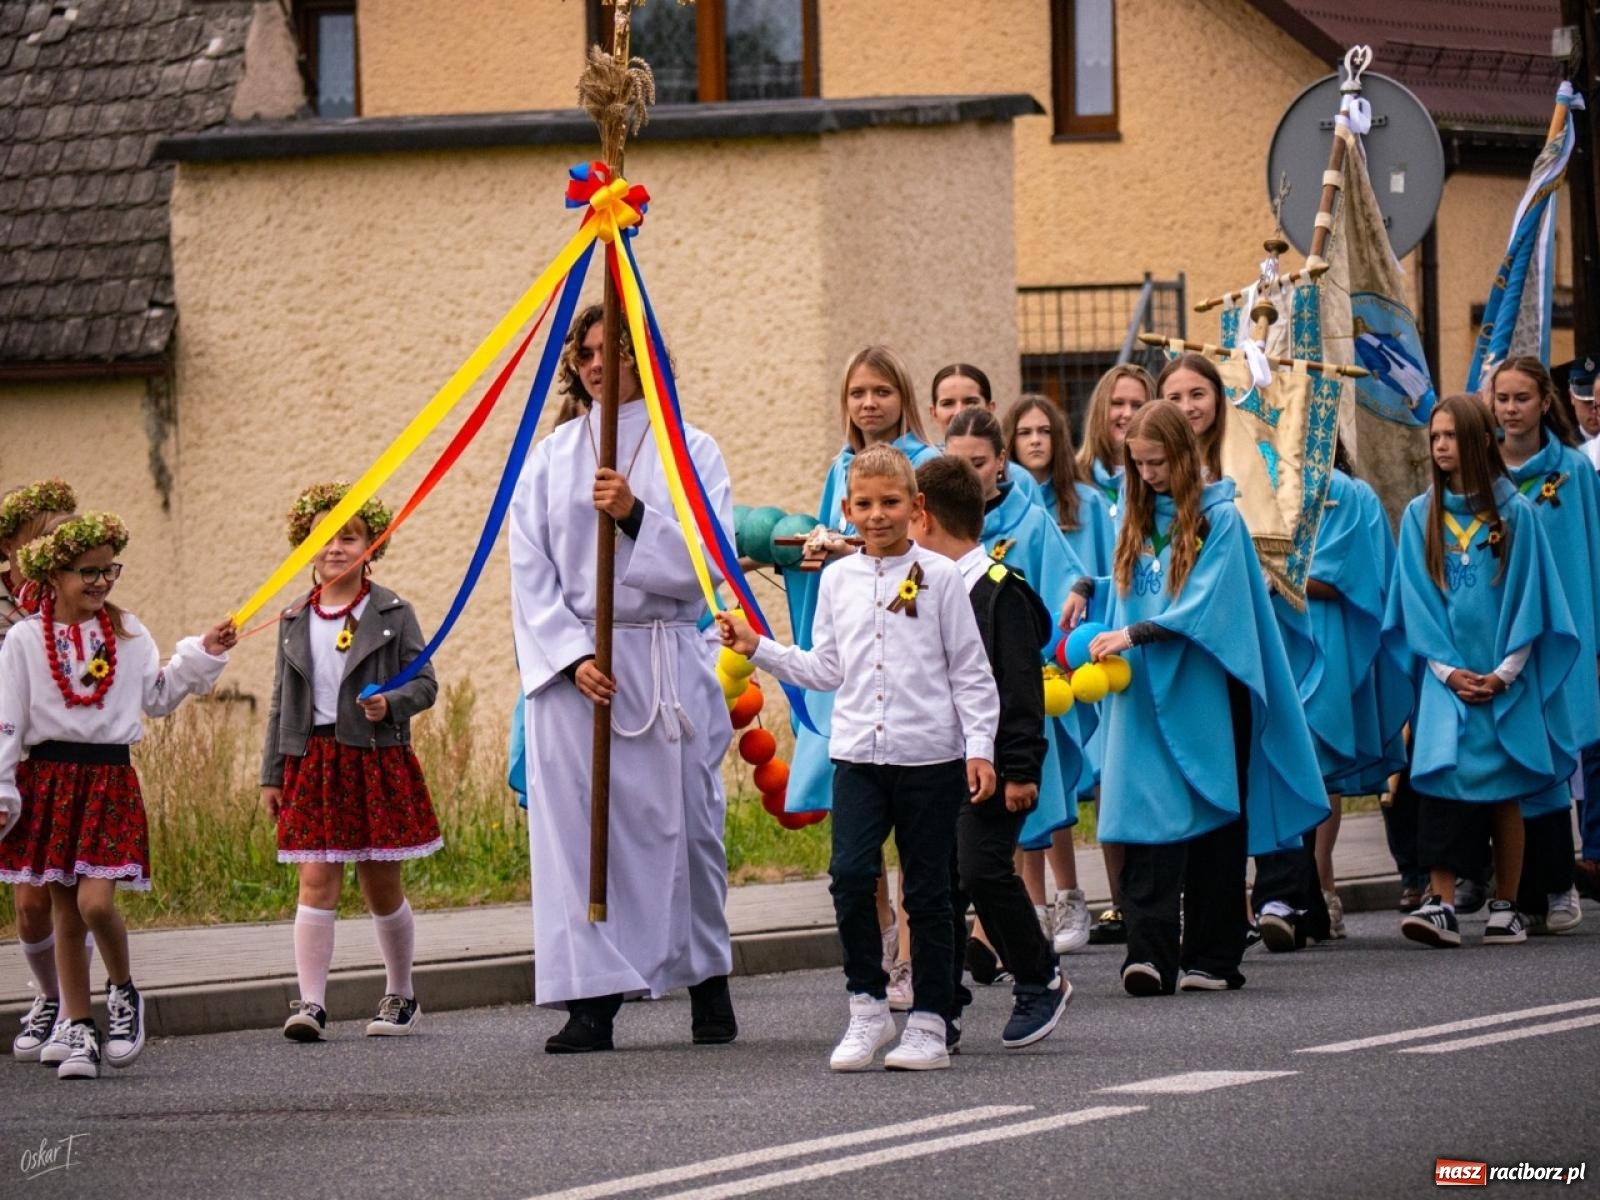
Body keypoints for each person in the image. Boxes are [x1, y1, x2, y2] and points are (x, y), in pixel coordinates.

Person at [719, 444, 998, 1072]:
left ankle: (929, 1020)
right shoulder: (837, 579)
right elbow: (826, 667)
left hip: (929, 757)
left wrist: (978, 748)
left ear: (916, 508)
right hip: (859, 758)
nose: (877, 515)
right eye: (865, 504)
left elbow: (971, 673)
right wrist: (758, 646)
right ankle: (867, 1007)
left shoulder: (942, 577)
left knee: (928, 892)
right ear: (846, 509)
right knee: (849, 877)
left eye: (891, 503)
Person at [510, 304, 738, 1053]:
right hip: (583, 671)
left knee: (689, 828)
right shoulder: (549, 458)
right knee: (581, 835)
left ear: (646, 357)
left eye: (616, 349)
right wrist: (571, 657)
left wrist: (637, 515)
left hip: (663, 657)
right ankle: (592, 997)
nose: (599, 363)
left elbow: (711, 561)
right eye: (587, 350)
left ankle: (707, 980)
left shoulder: (691, 451)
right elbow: (529, 567)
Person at [1060, 401, 1328, 994]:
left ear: (1183, 455)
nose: (1150, 474)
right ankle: (1149, 952)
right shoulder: (1132, 515)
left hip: (1205, 692)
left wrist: (1135, 632)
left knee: (1212, 821)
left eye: (1158, 462)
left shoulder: (1220, 520)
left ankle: (1211, 954)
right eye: (1140, 464)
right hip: (1143, 696)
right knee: (1147, 820)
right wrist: (1088, 588)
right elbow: (1138, 586)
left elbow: (1209, 601)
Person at [0, 511, 235, 1079]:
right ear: (54, 574)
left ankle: (125, 991)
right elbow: (7, 721)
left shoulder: (128, 635)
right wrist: (4, 788)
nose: (102, 582)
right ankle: (78, 1026)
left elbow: (156, 695)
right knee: (63, 910)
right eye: (88, 572)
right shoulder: (26, 640)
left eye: (109, 570)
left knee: (95, 903)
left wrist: (201, 653)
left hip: (107, 781)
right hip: (50, 781)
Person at [1383, 395, 1579, 948]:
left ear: (1476, 440)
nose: (1441, 446)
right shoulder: (1420, 516)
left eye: (1450, 436)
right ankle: (1441, 903)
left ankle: (1507, 905)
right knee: (1442, 783)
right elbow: (1415, 604)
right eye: (1435, 437)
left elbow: (1533, 602)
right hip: (1448, 678)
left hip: (1503, 676)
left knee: (1504, 790)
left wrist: (1504, 672)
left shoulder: (1517, 514)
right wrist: (1448, 672)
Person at [261, 483, 441, 1042]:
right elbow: (278, 702)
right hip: (311, 761)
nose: (336, 546)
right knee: (315, 880)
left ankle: (401, 994)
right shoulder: (293, 617)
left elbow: (426, 682)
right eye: (324, 536)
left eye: (349, 536)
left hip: (372, 759)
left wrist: (392, 702)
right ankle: (312, 1003)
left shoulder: (392, 611)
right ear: (306, 546)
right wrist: (272, 773)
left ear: (370, 546)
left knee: (379, 883)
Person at [913, 455, 1070, 1049]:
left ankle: (1040, 977)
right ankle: (940, 1003)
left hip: (997, 767)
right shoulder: (927, 586)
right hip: (937, 763)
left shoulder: (1000, 591)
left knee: (981, 870)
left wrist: (1021, 769)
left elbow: (1020, 689)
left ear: (923, 515)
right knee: (939, 883)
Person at [944, 407, 1088, 950]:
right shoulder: (932, 527)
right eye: (954, 464)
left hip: (1013, 688)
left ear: (1001, 462)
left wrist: (1078, 592)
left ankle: (1030, 926)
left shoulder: (1028, 521)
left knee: (1016, 808)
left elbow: (1066, 578)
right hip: (953, 698)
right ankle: (999, 936)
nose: (966, 476)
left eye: (977, 463)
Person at [1489, 358, 1597, 934]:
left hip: (1562, 635)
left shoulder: (1574, 472)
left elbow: (1595, 554)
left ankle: (1558, 885)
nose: (1510, 409)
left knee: (1553, 755)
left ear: (1544, 401)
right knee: (1515, 757)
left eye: (1522, 398)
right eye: (1502, 398)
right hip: (1504, 635)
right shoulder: (1484, 475)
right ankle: (1519, 889)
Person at [1005, 393, 1115, 954]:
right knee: (1031, 786)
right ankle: (1036, 904)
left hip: (1076, 652)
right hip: (1020, 657)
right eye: (1024, 432)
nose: (1036, 441)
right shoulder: (1005, 505)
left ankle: (1074, 896)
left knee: (1064, 779)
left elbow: (1094, 573)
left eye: (1045, 430)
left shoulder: (1086, 504)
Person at [1298, 452, 1409, 938]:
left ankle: (1321, 885)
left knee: (1320, 765)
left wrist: (1276, 575)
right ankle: (1279, 893)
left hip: (1325, 637)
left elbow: (1349, 577)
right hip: (1274, 632)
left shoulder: (1346, 493)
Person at [0, 479, 82, 1064]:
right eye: (43, 537)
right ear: (11, 545)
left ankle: (67, 1006)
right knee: (27, 904)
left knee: (63, 893)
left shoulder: (74, 594)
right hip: (6, 757)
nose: (56, 547)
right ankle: (52, 996)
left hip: (58, 762)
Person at [1072, 364, 1153, 944]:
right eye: (1115, 404)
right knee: (1107, 772)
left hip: (1138, 633)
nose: (1124, 413)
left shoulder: (1154, 479)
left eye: (1136, 403)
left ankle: (1155, 895)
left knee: (1142, 768)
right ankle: (1122, 900)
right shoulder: (1076, 480)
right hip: (1094, 637)